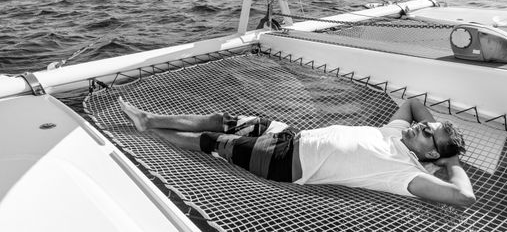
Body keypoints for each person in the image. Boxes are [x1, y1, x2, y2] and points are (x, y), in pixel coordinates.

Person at [118, 97, 475, 207]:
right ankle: (150, 117)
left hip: (285, 162)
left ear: (431, 155)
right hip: (291, 135)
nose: (421, 126)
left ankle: (147, 127)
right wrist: (437, 135)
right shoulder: (397, 132)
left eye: (428, 134)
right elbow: (412, 103)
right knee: (221, 120)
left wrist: (451, 160)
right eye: (426, 126)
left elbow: (463, 197)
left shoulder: (404, 171)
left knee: (211, 142)